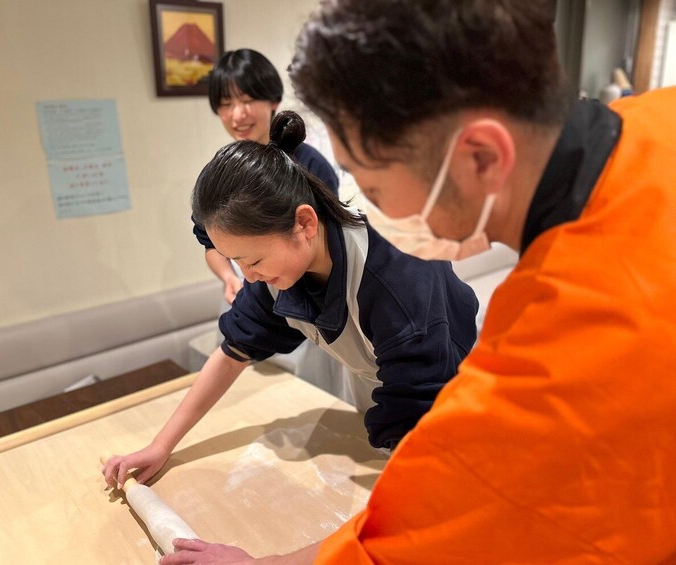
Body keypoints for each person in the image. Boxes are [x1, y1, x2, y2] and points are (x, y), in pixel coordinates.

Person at [159, 1, 676, 563]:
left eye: (374, 188)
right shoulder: (659, 119)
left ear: (479, 157)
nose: (370, 210)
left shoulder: (562, 335)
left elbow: (435, 527)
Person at [104, 110, 478, 491]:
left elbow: (418, 420)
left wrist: (278, 556)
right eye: (236, 262)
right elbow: (234, 350)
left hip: (464, 407)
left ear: (304, 223)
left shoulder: (395, 270)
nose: (247, 276)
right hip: (389, 405)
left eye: (253, 261)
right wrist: (161, 445)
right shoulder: (280, 269)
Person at [197, 48, 338, 305]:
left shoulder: (309, 165)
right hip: (246, 299)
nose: (238, 115)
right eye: (226, 104)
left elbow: (329, 245)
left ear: (273, 99)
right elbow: (210, 242)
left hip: (300, 302)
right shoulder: (223, 173)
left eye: (248, 100)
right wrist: (229, 277)